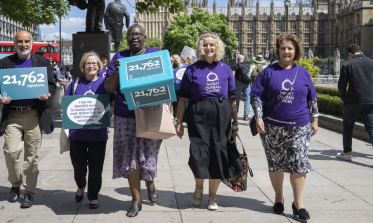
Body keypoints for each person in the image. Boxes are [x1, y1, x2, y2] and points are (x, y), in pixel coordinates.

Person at [250, 33, 318, 220]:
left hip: (299, 126)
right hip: (272, 127)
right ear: (277, 51)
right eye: (283, 48)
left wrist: (315, 119)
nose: (286, 51)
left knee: (299, 163)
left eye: (290, 48)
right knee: (276, 164)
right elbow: (255, 96)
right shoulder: (268, 72)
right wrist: (258, 117)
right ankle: (278, 198)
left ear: (295, 51)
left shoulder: (303, 72)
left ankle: (299, 204)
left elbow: (312, 98)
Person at [175, 32, 242, 211]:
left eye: (212, 44)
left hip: (221, 119)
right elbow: (182, 99)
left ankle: (212, 197)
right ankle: (199, 188)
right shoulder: (192, 69)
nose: (209, 47)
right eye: (205, 45)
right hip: (198, 119)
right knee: (199, 155)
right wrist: (179, 121)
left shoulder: (226, 69)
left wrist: (235, 123)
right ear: (200, 48)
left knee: (218, 155)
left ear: (217, 47)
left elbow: (232, 100)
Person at [104, 24, 163, 217]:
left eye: (138, 34)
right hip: (125, 115)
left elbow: (165, 83)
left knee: (149, 154)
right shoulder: (119, 58)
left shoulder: (155, 55)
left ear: (145, 37)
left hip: (150, 114)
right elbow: (109, 88)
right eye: (130, 35)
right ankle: (136, 198)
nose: (134, 37)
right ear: (126, 38)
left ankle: (150, 182)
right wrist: (117, 72)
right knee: (130, 159)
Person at [0, 30, 56, 208]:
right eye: (20, 41)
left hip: (34, 114)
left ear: (32, 43)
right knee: (11, 153)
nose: (23, 45)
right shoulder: (5, 63)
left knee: (31, 157)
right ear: (15, 43)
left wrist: (48, 94)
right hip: (12, 115)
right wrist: (0, 97)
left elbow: (52, 85)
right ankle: (15, 184)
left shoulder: (42, 62)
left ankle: (29, 192)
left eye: (26, 41)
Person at [65, 51, 114, 209]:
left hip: (98, 135)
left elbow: (112, 102)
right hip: (77, 134)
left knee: (96, 168)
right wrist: (64, 111)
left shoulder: (105, 83)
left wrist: (111, 109)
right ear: (83, 66)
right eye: (88, 63)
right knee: (78, 166)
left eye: (94, 63)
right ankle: (80, 185)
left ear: (99, 66)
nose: (91, 65)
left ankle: (93, 195)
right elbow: (67, 102)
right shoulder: (76, 83)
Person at [337, 44, 373, 161]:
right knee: (371, 128)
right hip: (370, 101)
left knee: (348, 127)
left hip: (353, 101)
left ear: (350, 54)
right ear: (361, 52)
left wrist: (344, 98)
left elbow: (341, 86)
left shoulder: (347, 64)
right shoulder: (371, 62)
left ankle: (347, 153)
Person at [232, 54, 251, 121]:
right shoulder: (247, 66)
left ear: (237, 59)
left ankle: (235, 114)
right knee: (247, 99)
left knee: (237, 98)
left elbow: (232, 75)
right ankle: (246, 116)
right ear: (243, 59)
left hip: (239, 83)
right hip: (247, 83)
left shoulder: (235, 65)